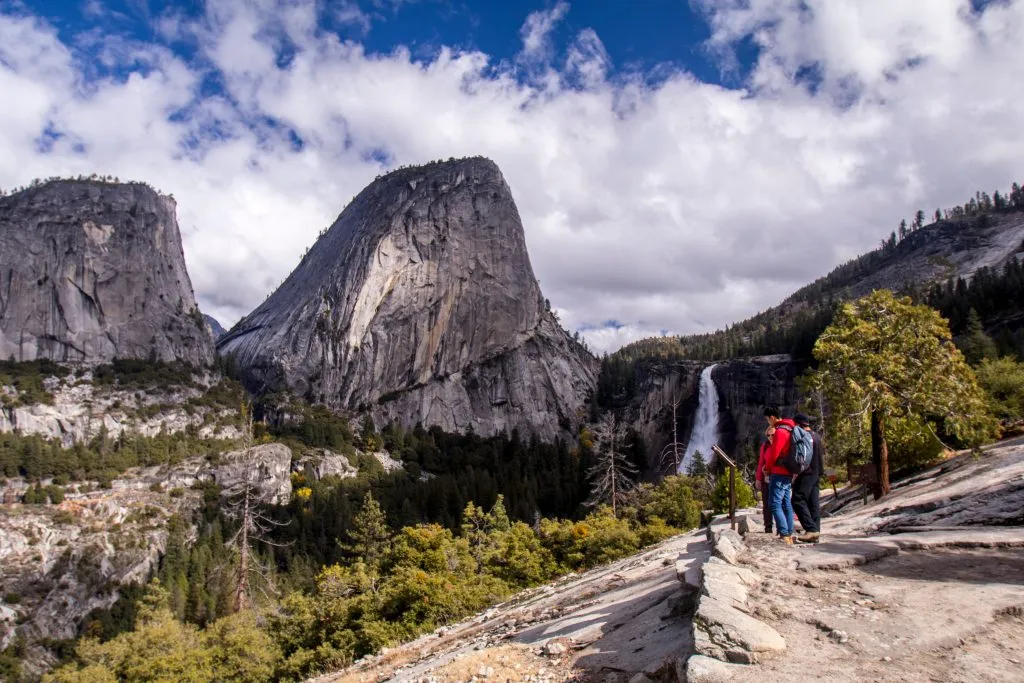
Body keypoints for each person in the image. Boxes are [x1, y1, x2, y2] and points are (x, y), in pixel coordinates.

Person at [763, 407, 796, 544]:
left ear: (772, 417)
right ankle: (789, 532)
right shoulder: (790, 429)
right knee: (786, 503)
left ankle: (784, 533)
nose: (768, 422)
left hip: (778, 471)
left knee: (774, 503)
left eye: (767, 419)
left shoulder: (780, 432)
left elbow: (775, 452)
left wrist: (768, 469)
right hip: (788, 471)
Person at [792, 413, 824, 543]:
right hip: (817, 472)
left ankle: (810, 529)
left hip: (807, 472)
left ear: (798, 424)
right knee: (813, 502)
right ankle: (815, 531)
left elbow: (802, 456)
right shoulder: (816, 436)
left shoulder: (804, 436)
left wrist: (796, 470)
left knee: (797, 499)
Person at [755, 424, 775, 534]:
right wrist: (758, 478)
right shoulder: (765, 446)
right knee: (766, 503)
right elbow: (761, 463)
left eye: (773, 434)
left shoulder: (780, 445)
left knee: (779, 502)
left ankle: (784, 528)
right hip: (766, 478)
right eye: (768, 435)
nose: (771, 437)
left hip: (778, 477)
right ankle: (768, 526)